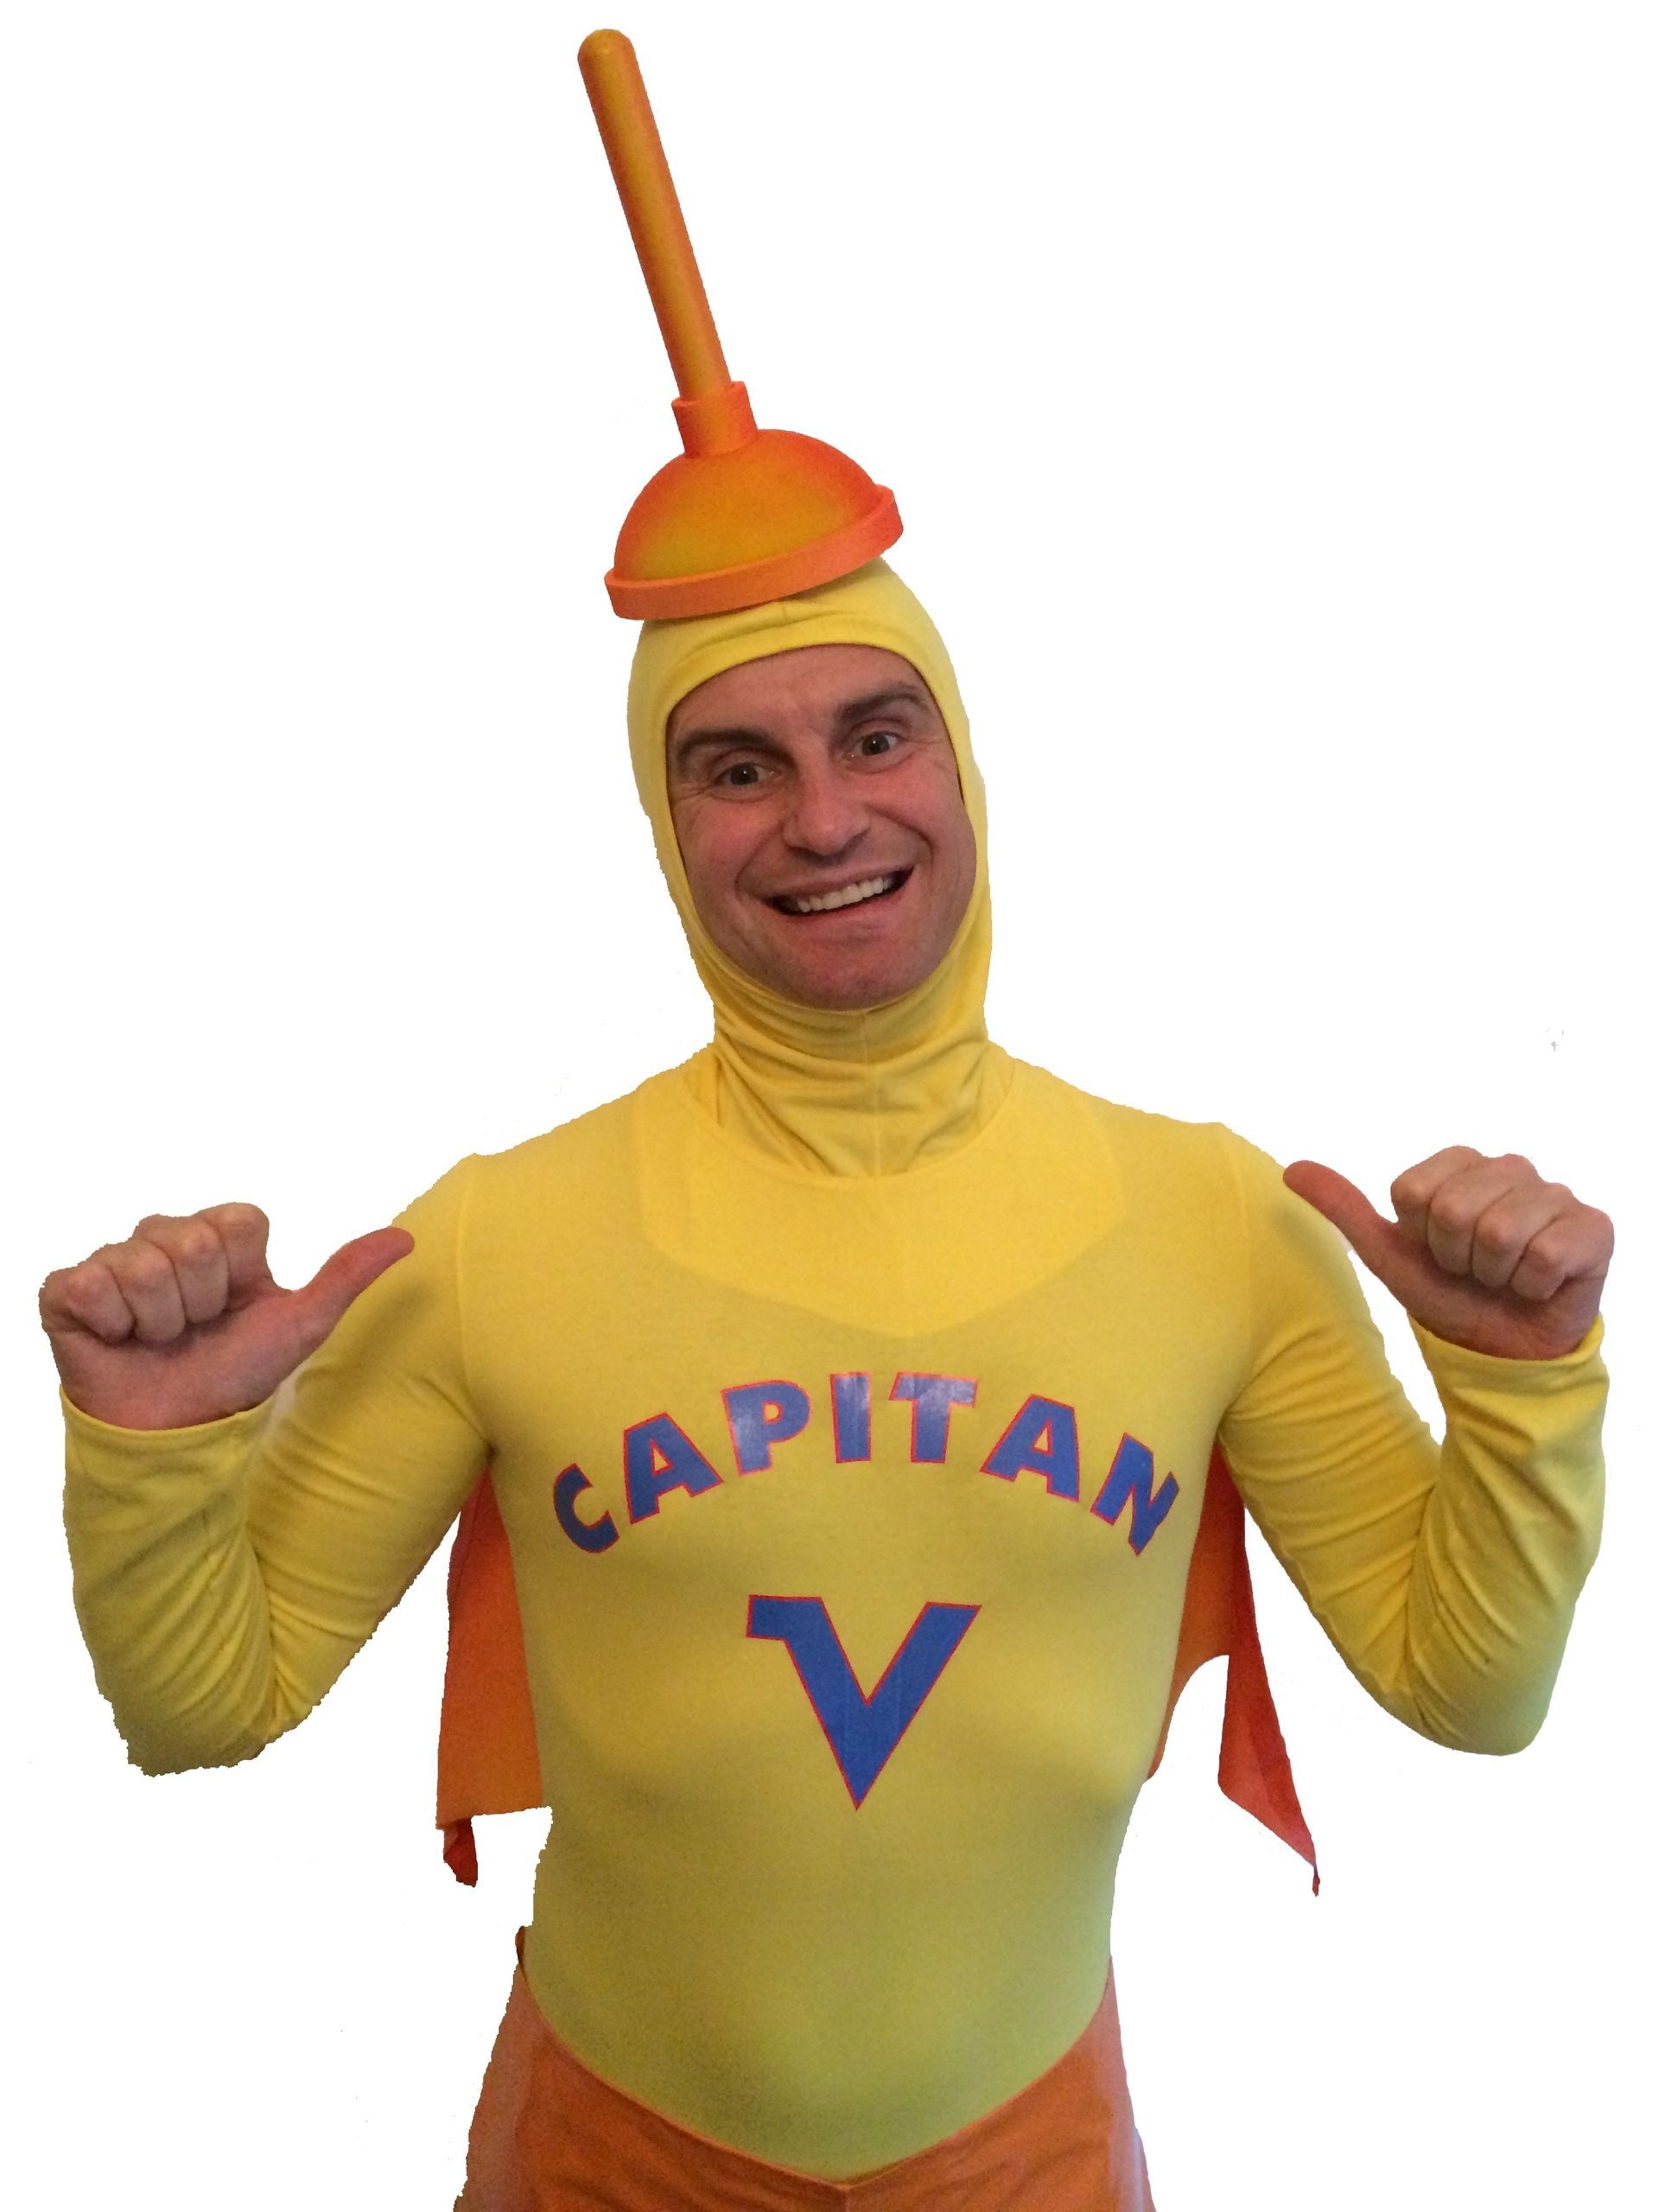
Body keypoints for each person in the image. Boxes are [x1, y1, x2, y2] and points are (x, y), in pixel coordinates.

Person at [46, 556, 1612, 2209]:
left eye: (877, 737)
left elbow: (1469, 1691)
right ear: (664, 829)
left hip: (1032, 2157)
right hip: (607, 2157)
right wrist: (153, 1451)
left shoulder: (1220, 1223)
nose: (823, 818)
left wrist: (1522, 1385)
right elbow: (202, 1710)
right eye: (738, 768)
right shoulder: (494, 1242)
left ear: (965, 766)